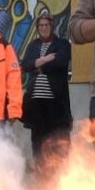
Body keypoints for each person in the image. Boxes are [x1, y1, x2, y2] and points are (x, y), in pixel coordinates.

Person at [20, 12, 74, 168]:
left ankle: (59, 174)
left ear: (52, 26)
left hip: (55, 102)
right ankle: (40, 172)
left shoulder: (62, 44)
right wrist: (45, 59)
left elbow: (61, 63)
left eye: (46, 25)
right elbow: (26, 65)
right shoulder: (33, 45)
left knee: (58, 140)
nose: (44, 28)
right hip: (36, 104)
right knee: (38, 140)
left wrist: (37, 64)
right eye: (41, 26)